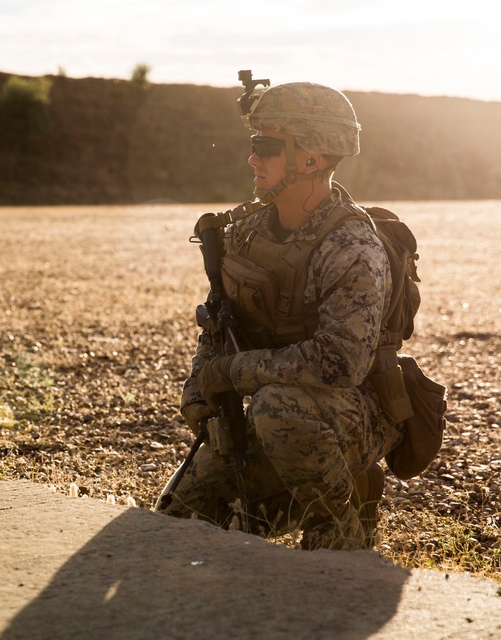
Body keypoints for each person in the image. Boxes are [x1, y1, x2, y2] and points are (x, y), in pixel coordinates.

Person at [156, 81, 404, 550]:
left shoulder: (352, 246)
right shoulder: (249, 230)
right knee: (176, 525)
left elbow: (342, 363)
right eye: (254, 145)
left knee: (275, 405)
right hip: (282, 411)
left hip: (353, 412)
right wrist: (199, 390)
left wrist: (233, 372)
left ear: (311, 159)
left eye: (267, 148)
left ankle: (340, 529)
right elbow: (220, 320)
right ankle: (294, 486)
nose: (253, 159)